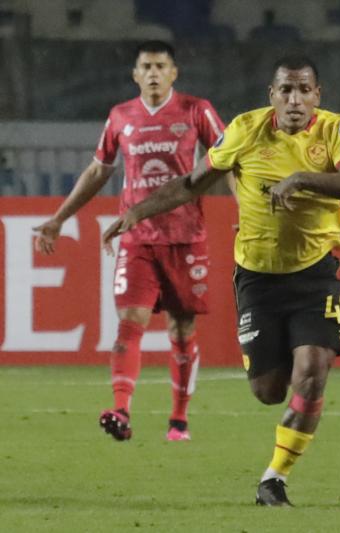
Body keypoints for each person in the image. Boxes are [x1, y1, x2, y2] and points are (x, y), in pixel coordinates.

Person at [101, 55, 340, 507]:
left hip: (316, 273)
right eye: (286, 90)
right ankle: (276, 429)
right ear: (272, 96)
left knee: (314, 371)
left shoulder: (334, 129)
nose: (295, 99)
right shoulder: (244, 129)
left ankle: (274, 479)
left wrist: (300, 179)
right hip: (258, 279)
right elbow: (192, 182)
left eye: (304, 90)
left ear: (318, 96)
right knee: (268, 391)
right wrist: (136, 212)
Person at [34, 40, 226, 442]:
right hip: (136, 237)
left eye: (161, 66)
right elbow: (97, 171)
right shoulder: (121, 116)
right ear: (135, 74)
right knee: (130, 322)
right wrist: (58, 219)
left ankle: (179, 421)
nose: (154, 73)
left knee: (181, 328)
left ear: (174, 73)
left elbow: (233, 160)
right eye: (146, 67)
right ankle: (120, 409)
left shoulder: (196, 110)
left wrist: (250, 213)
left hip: (185, 237)